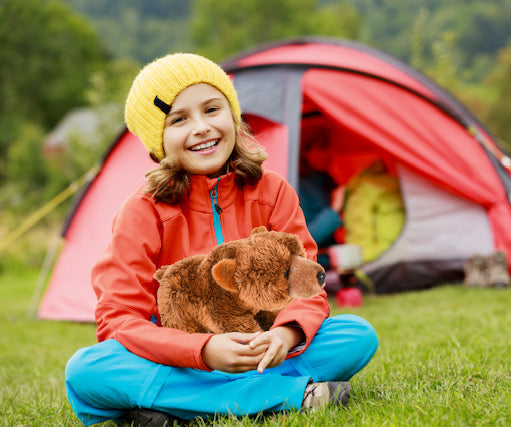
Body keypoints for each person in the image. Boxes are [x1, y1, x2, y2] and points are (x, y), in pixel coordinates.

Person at [64, 53, 378, 426]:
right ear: (158, 140)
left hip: (261, 351)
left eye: (212, 109)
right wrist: (204, 350)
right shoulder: (142, 211)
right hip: (177, 361)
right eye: (179, 119)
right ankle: (287, 396)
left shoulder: (273, 191)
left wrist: (287, 334)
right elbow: (119, 319)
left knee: (356, 334)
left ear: (233, 116)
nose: (201, 128)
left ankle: (175, 406)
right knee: (86, 370)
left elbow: (306, 289)